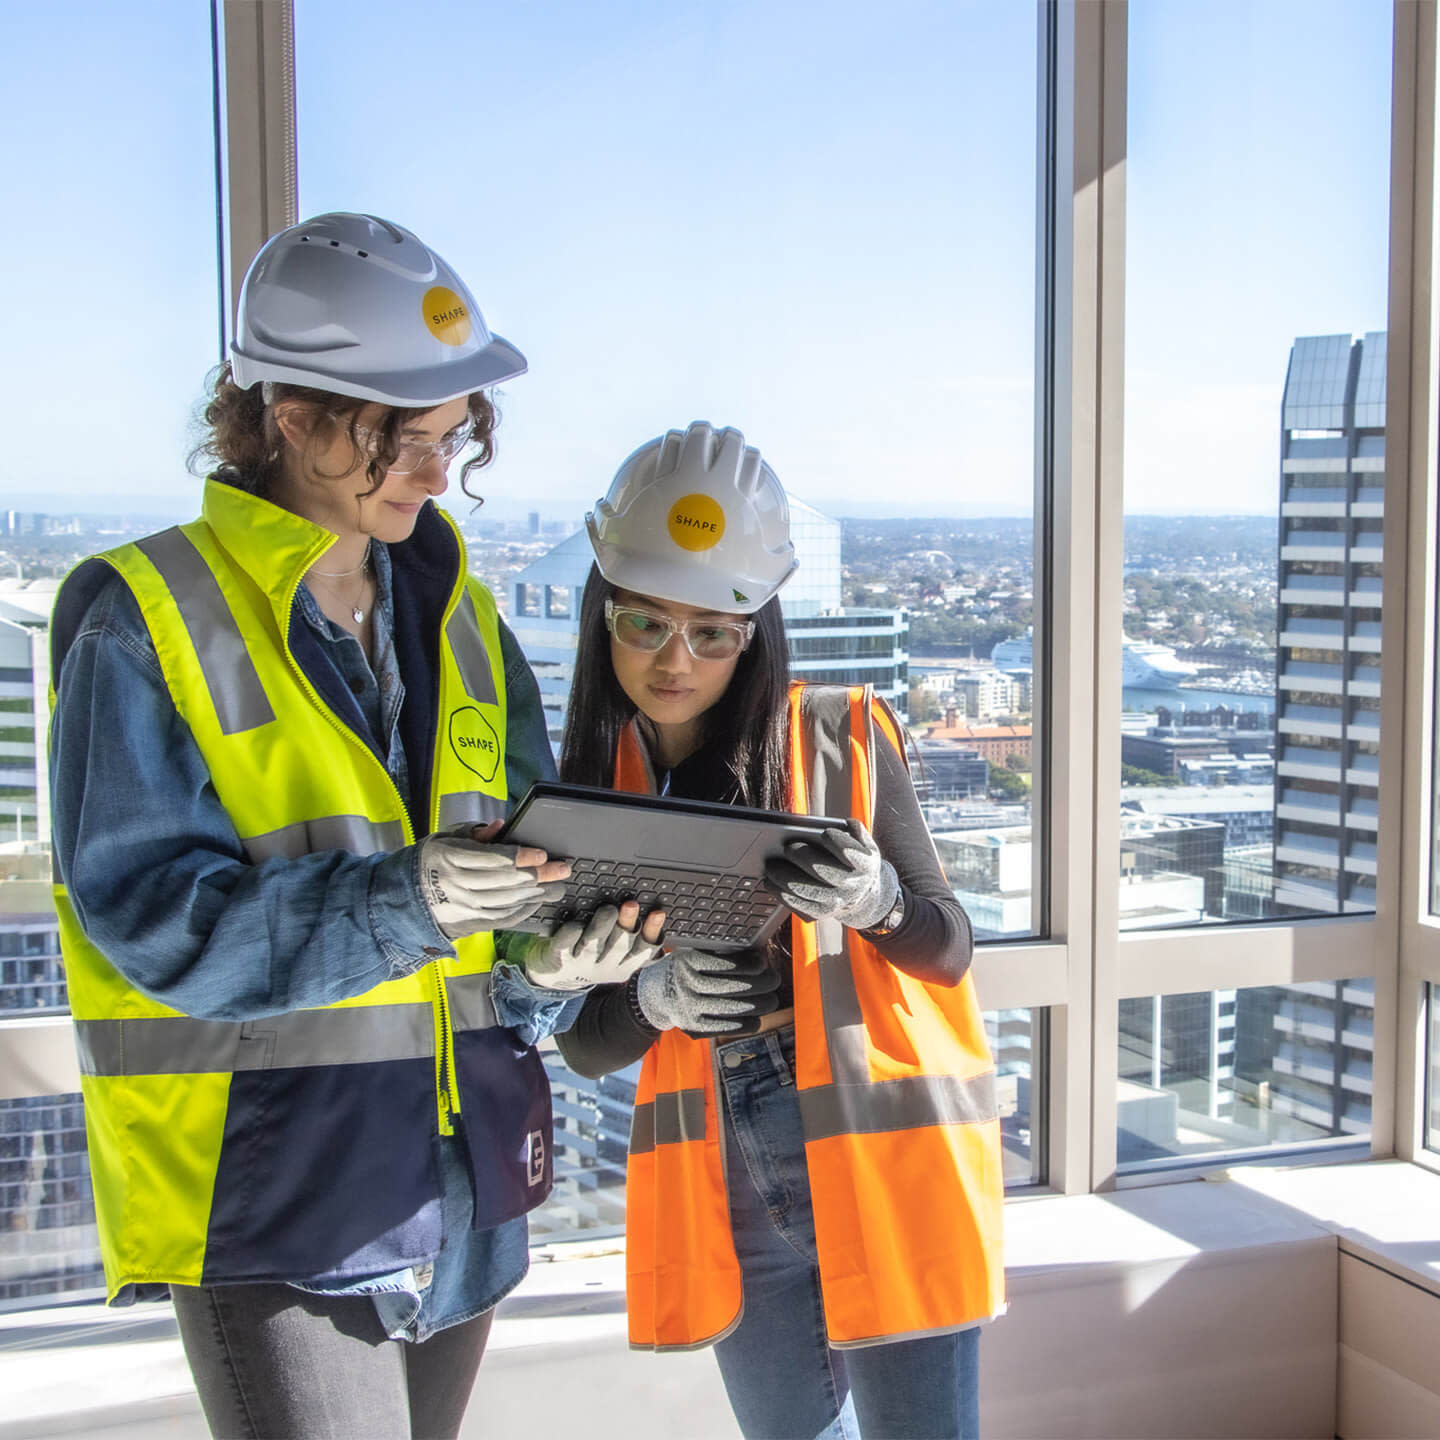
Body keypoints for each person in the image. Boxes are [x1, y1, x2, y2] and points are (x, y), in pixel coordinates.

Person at [47, 212, 657, 1440]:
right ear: (293, 416)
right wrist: (410, 902)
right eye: (404, 442)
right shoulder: (140, 617)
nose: (437, 477)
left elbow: (508, 901)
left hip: (464, 1179)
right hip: (278, 1188)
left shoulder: (466, 622)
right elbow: (156, 930)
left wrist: (548, 963)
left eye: (450, 442)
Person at [553, 422, 1007, 1440]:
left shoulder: (838, 734)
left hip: (884, 1161)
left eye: (714, 631)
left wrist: (878, 901)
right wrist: (650, 1000)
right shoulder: (596, 791)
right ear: (603, 616)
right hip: (727, 1176)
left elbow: (948, 947)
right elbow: (582, 1043)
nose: (679, 660)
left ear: (755, 630)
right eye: (647, 626)